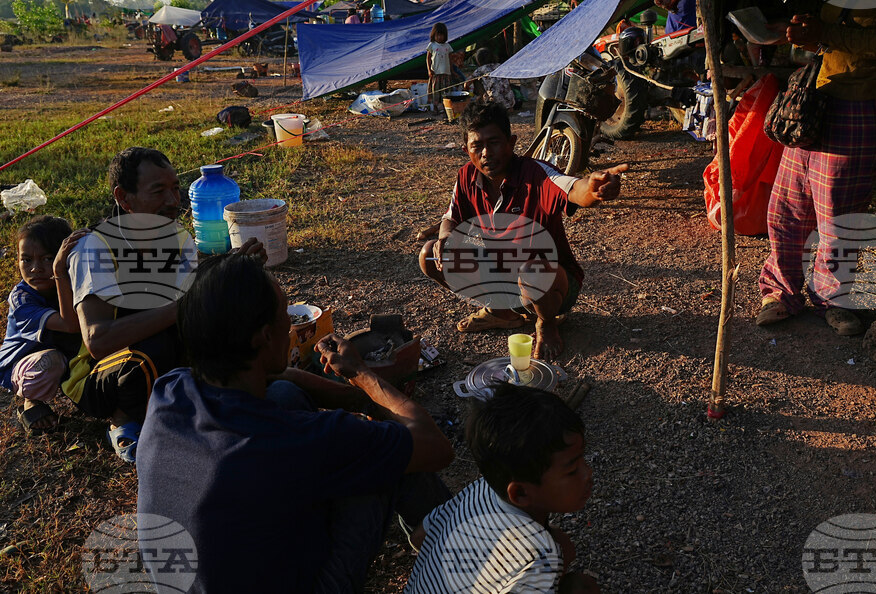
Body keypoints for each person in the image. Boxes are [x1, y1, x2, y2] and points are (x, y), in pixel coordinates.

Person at [137, 254, 454, 593]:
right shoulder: (297, 440)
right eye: (284, 317)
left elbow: (281, 375)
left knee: (286, 393)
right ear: (263, 337)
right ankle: (455, 549)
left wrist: (357, 400)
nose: (289, 326)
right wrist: (362, 376)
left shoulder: (170, 390)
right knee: (385, 457)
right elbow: (435, 448)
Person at [756, 0, 876, 336]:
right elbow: (832, 43)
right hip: (817, 103)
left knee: (839, 216)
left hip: (861, 107)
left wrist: (826, 34)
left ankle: (831, 299)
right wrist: (807, 32)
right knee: (787, 205)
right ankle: (779, 292)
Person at [61, 147, 264, 463]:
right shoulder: (95, 249)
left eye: (175, 189)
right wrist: (181, 308)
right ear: (124, 198)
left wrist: (234, 265)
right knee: (153, 352)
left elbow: (195, 285)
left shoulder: (174, 237)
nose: (173, 202)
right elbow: (98, 340)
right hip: (104, 374)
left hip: (162, 347)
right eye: (159, 191)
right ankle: (123, 420)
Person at [418, 102, 628, 360]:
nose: (486, 153)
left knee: (531, 272)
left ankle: (546, 322)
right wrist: (445, 238)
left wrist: (594, 190)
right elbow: (450, 218)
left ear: (512, 142)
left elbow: (574, 189)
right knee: (429, 256)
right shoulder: (466, 177)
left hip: (552, 280)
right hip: (503, 273)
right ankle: (501, 312)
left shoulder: (536, 174)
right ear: (466, 150)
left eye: (494, 142)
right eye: (477, 146)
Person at [405, 384, 599, 594]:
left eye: (582, 460)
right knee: (582, 587)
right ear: (520, 493)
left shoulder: (483, 489)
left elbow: (420, 535)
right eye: (572, 470)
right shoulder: (539, 559)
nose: (588, 473)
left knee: (564, 546)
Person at [0, 216, 86, 434]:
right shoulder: (22, 301)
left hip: (65, 351)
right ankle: (31, 399)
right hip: (26, 363)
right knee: (50, 362)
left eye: (47, 258)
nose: (35, 269)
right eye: (26, 260)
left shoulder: (75, 281)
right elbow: (71, 324)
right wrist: (57, 270)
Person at [426, 22, 453, 114]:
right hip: (436, 73)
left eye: (442, 35)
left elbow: (450, 59)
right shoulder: (432, 45)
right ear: (434, 35)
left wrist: (452, 70)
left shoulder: (447, 46)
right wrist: (429, 70)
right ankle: (435, 107)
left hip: (446, 73)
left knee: (445, 91)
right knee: (436, 91)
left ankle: (445, 107)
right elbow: (428, 58)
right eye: (438, 35)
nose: (440, 37)